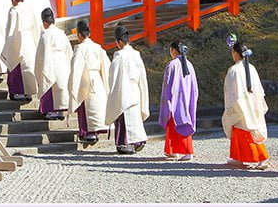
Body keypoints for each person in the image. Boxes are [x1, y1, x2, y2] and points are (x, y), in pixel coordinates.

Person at [222, 34, 269, 170]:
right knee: (249, 129)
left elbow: (230, 90)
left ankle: (260, 157)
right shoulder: (251, 68)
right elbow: (259, 89)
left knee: (246, 132)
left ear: (236, 53)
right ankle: (238, 157)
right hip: (252, 103)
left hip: (240, 103)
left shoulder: (234, 70)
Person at [105, 26, 149, 154]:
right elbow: (142, 76)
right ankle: (138, 141)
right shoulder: (136, 54)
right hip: (135, 88)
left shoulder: (119, 55)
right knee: (134, 117)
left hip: (124, 89)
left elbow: (114, 75)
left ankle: (124, 143)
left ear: (119, 42)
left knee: (123, 117)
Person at [68, 20, 110, 145]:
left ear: (79, 34)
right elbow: (106, 65)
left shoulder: (80, 48)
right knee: (96, 105)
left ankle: (87, 133)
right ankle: (96, 131)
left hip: (85, 78)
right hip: (97, 77)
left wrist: (73, 84)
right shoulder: (98, 47)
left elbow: (76, 68)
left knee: (85, 106)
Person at [159, 41, 199, 161]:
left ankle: (187, 151)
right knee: (182, 123)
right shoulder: (189, 64)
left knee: (177, 125)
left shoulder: (172, 65)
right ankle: (172, 150)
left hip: (175, 99)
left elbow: (167, 85)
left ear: (173, 50)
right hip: (186, 99)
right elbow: (194, 86)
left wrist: (166, 101)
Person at [1, 0, 41, 101]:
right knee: (29, 66)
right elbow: (36, 28)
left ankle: (17, 92)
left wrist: (8, 42)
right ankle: (29, 92)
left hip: (17, 38)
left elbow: (11, 27)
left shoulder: (14, 10)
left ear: (14, 0)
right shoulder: (30, 10)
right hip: (30, 40)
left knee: (15, 65)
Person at [34, 7, 73, 120]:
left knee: (49, 82)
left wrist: (41, 65)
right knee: (61, 87)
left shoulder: (46, 34)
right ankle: (61, 110)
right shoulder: (62, 34)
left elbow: (42, 52)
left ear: (44, 22)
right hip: (62, 62)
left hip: (51, 61)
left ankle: (51, 110)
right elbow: (68, 51)